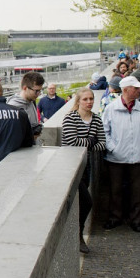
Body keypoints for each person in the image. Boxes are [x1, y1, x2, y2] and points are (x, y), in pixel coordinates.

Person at [101, 76, 140, 232]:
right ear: (126, 90)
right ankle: (115, 217)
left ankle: (136, 219)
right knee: (115, 190)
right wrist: (113, 148)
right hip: (116, 158)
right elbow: (105, 133)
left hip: (137, 157)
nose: (139, 91)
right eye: (136, 88)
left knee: (137, 191)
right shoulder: (111, 108)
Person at [61, 87, 106, 253]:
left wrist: (87, 141)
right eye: (85, 99)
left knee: (81, 202)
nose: (89, 102)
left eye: (91, 99)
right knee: (86, 202)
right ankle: (78, 235)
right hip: (70, 166)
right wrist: (91, 141)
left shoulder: (96, 119)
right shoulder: (70, 118)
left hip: (86, 166)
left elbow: (102, 143)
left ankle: (75, 235)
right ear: (78, 101)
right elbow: (71, 141)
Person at [7, 72, 44, 139]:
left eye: (40, 91)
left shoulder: (31, 101)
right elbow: (11, 135)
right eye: (36, 91)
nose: (38, 94)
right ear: (25, 88)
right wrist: (30, 136)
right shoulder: (13, 107)